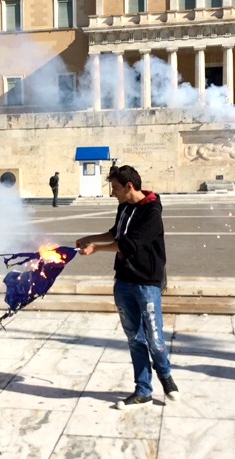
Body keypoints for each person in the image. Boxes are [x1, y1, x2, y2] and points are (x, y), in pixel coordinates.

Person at [76, 165, 179, 409]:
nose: (113, 193)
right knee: (135, 337)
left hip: (146, 282)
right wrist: (91, 239)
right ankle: (143, 390)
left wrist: (97, 249)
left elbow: (130, 245)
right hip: (123, 280)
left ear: (129, 187)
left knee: (154, 338)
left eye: (115, 188)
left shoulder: (152, 211)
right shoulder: (124, 206)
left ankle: (164, 374)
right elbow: (117, 233)